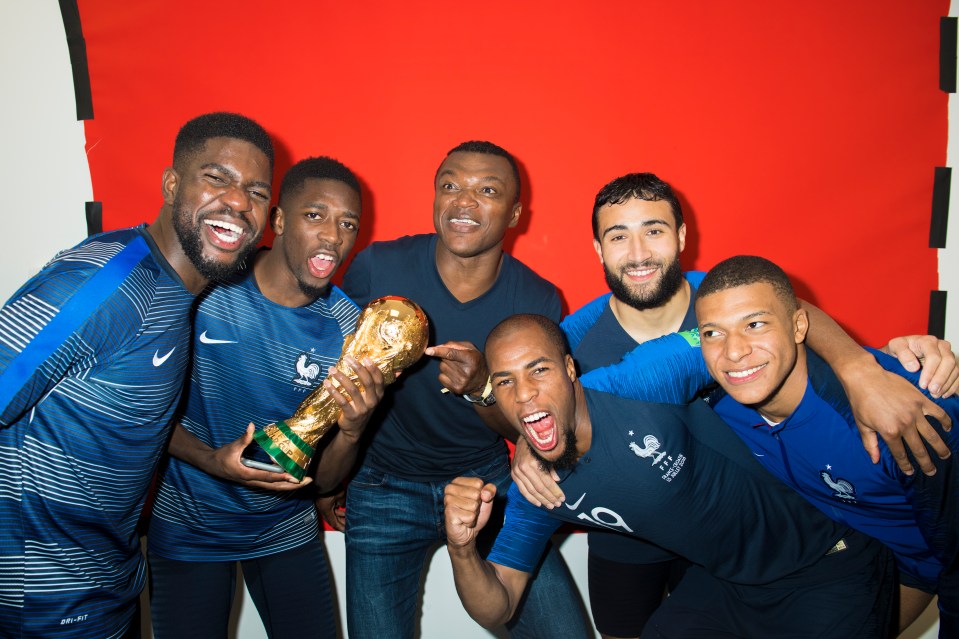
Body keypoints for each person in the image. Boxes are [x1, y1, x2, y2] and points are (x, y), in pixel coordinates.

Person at [510, 172, 959, 639]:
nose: (639, 253)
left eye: (655, 230)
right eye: (619, 236)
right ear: (598, 248)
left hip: (769, 538)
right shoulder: (574, 341)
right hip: (636, 540)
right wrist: (531, 439)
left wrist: (862, 367)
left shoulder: (722, 300)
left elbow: (788, 313)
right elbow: (538, 393)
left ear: (681, 236)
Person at [444, 314, 895, 638]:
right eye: (505, 382)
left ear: (569, 369)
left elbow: (772, 320)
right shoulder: (537, 486)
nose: (524, 394)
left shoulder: (644, 379)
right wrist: (462, 549)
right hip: (731, 584)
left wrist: (865, 370)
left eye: (538, 370)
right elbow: (499, 604)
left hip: (826, 563)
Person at [0, 112, 274, 638]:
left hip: (113, 587)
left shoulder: (179, 293)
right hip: (44, 605)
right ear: (172, 185)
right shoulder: (101, 285)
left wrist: (211, 459)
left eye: (256, 192)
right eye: (217, 178)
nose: (239, 202)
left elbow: (133, 415)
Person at [339, 141, 590, 638]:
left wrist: (480, 388)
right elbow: (335, 374)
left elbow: (530, 426)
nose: (463, 202)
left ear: (515, 213)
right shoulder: (377, 267)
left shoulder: (538, 300)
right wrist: (330, 476)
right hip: (383, 485)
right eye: (450, 185)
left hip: (487, 484)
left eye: (487, 191)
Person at [146, 157, 383, 638]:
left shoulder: (347, 329)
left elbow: (323, 482)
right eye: (314, 215)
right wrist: (212, 460)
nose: (333, 237)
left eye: (347, 223)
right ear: (277, 219)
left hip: (283, 529)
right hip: (188, 526)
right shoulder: (207, 288)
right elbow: (144, 411)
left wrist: (354, 431)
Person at [693, 255, 959, 635]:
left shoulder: (894, 413)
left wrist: (865, 366)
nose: (734, 352)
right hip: (818, 558)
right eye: (712, 333)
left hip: (906, 568)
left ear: (800, 326)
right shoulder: (714, 400)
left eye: (755, 325)